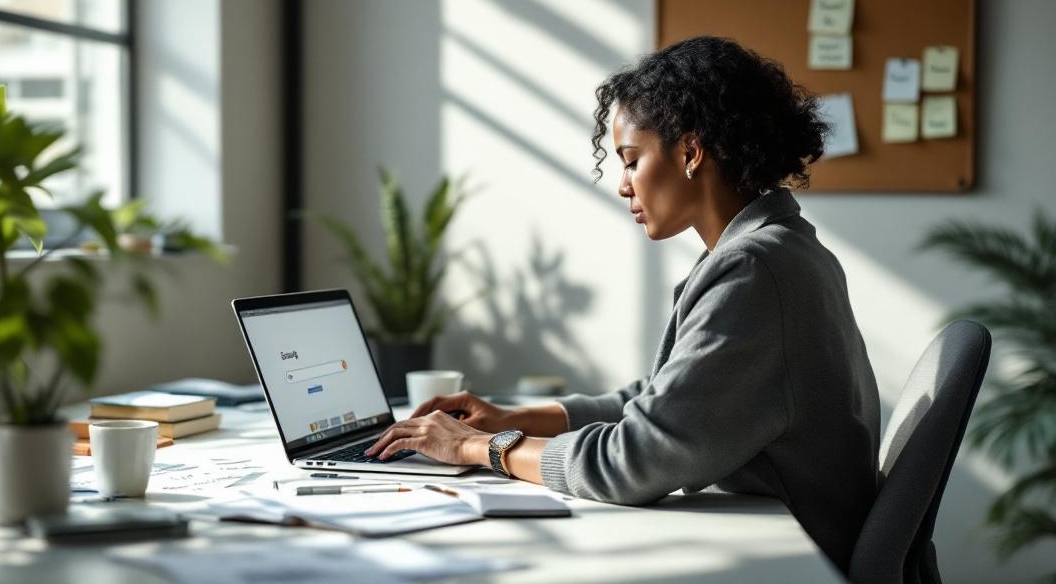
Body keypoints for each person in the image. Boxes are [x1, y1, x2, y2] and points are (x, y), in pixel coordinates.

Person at [366, 36, 881, 573]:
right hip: (787, 538)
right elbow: (670, 402)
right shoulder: (780, 247)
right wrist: (518, 417)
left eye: (632, 160)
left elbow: (635, 459)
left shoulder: (755, 270)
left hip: (796, 563)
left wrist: (481, 447)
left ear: (690, 151)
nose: (623, 185)